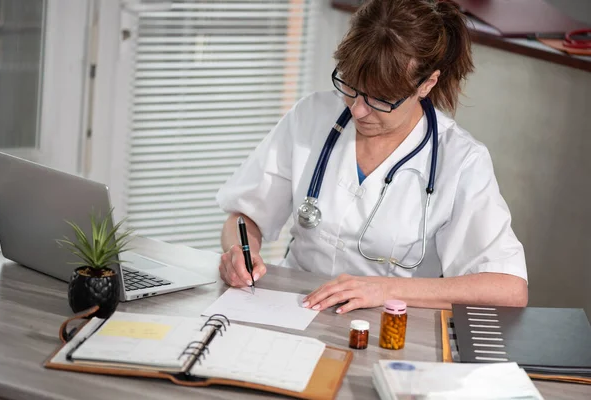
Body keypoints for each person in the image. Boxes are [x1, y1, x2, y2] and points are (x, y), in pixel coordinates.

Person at [216, 0, 528, 313]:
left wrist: (386, 289)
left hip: (394, 326)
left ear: (427, 84)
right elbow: (245, 217)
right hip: (296, 308)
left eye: (381, 99)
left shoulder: (460, 160)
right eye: (351, 87)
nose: (358, 110)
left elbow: (508, 288)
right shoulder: (311, 117)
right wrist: (238, 252)